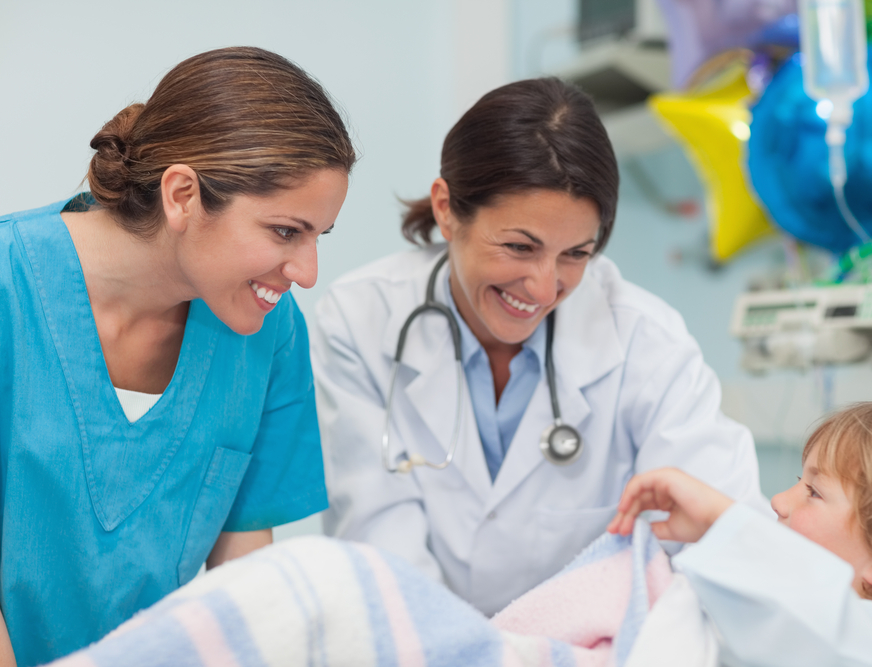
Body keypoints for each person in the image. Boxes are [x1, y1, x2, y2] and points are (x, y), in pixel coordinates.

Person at [311, 77, 766, 616]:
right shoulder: (360, 320)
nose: (544, 286)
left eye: (576, 253)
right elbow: (381, 547)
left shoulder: (646, 340)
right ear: (446, 209)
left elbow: (723, 537)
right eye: (519, 247)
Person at [0, 47, 354, 665]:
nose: (306, 272)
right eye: (285, 231)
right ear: (183, 195)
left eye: (318, 236)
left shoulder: (269, 333)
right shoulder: (11, 289)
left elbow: (243, 589)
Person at [609, 402, 872, 666]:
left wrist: (722, 519)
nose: (778, 500)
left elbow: (831, 629)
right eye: (800, 481)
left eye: (814, 492)